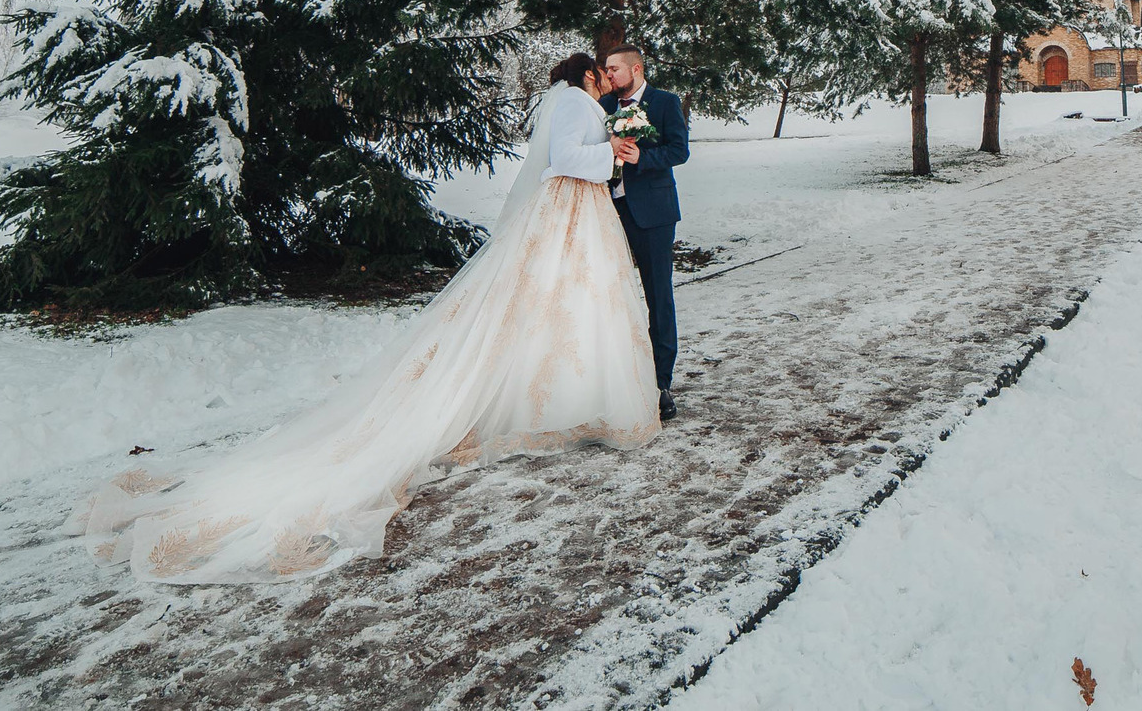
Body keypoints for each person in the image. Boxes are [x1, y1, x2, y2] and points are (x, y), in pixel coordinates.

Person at [69, 53, 658, 584]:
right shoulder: (579, 100)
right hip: (570, 213)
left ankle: (552, 399)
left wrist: (612, 153)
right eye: (601, 74)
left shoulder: (563, 101)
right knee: (566, 309)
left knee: (552, 311)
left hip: (571, 217)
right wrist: (613, 150)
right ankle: (561, 401)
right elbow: (565, 161)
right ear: (585, 75)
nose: (607, 82)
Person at [599, 45, 688, 422]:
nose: (609, 75)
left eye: (615, 69)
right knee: (611, 294)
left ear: (636, 68)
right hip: (607, 211)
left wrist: (644, 158)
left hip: (653, 213)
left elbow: (679, 151)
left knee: (658, 295)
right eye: (606, 70)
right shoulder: (603, 105)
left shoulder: (665, 102)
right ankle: (615, 378)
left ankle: (660, 382)